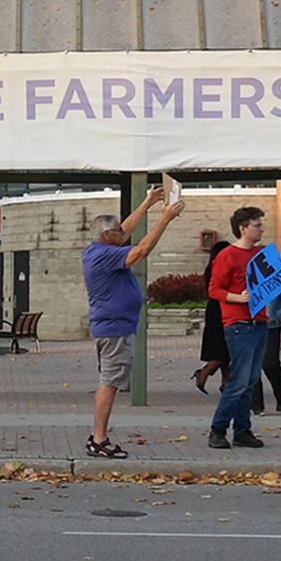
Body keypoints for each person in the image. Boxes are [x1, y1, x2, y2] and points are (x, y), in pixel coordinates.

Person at [80, 188, 185, 458]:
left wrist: (148, 201)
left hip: (115, 325)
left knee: (111, 380)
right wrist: (164, 219)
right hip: (114, 328)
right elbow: (141, 251)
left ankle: (98, 437)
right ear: (107, 236)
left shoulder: (101, 248)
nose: (123, 233)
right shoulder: (105, 255)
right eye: (118, 232)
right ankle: (98, 438)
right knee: (110, 382)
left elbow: (125, 230)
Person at [205, 206, 269, 450]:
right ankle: (218, 429)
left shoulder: (260, 254)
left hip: (259, 321)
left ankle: (242, 430)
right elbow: (214, 289)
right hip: (239, 324)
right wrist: (236, 298)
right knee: (239, 381)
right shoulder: (228, 255)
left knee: (250, 380)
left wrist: (280, 267)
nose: (261, 228)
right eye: (257, 225)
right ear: (243, 229)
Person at [252, 281, 281, 415]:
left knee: (270, 365)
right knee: (253, 365)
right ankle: (257, 405)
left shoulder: (276, 274)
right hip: (251, 325)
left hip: (271, 326)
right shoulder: (249, 272)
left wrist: (277, 314)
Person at [193, 240, 232, 393]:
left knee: (226, 350)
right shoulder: (216, 269)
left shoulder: (212, 268)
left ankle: (226, 381)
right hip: (219, 310)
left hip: (222, 309)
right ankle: (204, 372)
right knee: (221, 350)